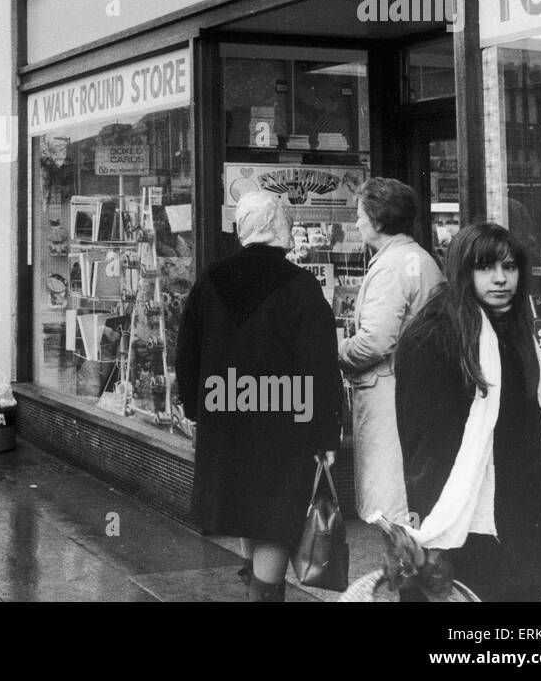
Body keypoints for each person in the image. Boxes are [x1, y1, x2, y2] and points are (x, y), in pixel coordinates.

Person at [394, 223, 541, 603]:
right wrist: (434, 541)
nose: (501, 279)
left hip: (521, 519)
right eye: (485, 268)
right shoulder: (432, 337)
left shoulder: (517, 332)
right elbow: (423, 452)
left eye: (510, 267)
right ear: (462, 273)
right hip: (467, 528)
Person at [175, 191, 344, 602]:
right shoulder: (301, 287)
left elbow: (187, 350)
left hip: (225, 412)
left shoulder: (211, 279)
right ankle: (264, 594)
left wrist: (197, 410)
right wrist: (325, 435)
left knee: (243, 504)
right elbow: (319, 367)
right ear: (281, 227)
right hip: (283, 422)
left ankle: (254, 580)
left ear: (242, 229)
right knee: (274, 514)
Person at [337, 178, 444, 524]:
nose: (357, 222)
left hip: (389, 396)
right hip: (413, 393)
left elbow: (375, 341)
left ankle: (404, 576)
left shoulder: (390, 266)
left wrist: (332, 351)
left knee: (390, 507)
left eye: (360, 214)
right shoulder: (418, 258)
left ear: (379, 221)